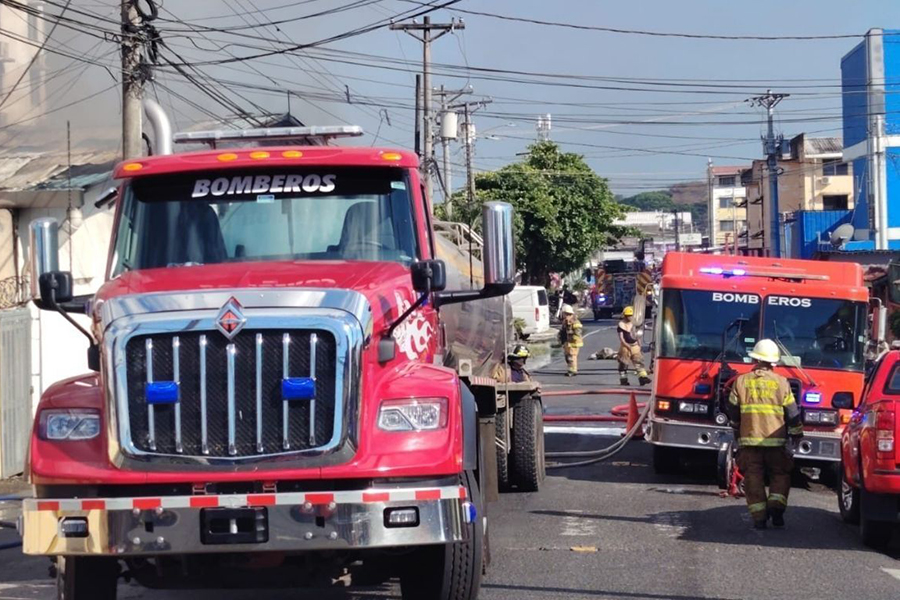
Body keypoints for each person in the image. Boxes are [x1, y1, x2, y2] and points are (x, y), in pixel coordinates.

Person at [726, 339, 803, 530]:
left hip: (749, 442)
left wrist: (737, 428)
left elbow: (732, 410)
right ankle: (776, 508)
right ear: (773, 362)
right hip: (776, 443)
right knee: (780, 474)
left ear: (755, 359)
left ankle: (759, 518)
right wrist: (796, 434)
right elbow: (792, 413)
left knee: (753, 478)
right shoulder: (782, 383)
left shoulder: (741, 382)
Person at [617, 307, 651, 386]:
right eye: (628, 315)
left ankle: (643, 378)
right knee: (623, 364)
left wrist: (639, 344)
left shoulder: (634, 324)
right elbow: (621, 338)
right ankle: (623, 380)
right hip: (625, 347)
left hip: (635, 345)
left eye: (631, 315)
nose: (630, 317)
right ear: (625, 316)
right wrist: (627, 345)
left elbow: (637, 335)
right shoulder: (621, 325)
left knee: (638, 362)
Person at [559, 304, 583, 377]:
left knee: (572, 356)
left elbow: (578, 332)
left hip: (574, 342)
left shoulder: (575, 322)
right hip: (567, 342)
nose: (563, 315)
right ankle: (570, 368)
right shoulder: (565, 321)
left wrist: (571, 335)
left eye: (564, 314)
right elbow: (563, 331)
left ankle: (573, 370)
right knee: (567, 356)